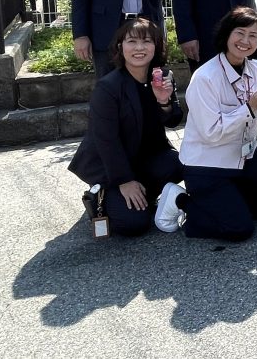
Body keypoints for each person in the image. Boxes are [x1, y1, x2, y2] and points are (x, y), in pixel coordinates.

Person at [155, 7, 257, 241]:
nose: (245, 41)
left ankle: (229, 205)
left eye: (253, 36)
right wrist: (250, 106)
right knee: (240, 230)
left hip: (243, 156)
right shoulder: (205, 77)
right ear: (226, 34)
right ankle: (181, 200)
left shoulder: (255, 68)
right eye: (240, 33)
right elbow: (211, 134)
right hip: (207, 164)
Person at [68, 18, 183, 236]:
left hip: (147, 159)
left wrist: (164, 102)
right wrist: (125, 180)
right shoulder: (108, 87)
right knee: (133, 224)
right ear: (121, 47)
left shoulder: (162, 77)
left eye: (147, 42)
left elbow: (172, 120)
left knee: (179, 164)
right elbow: (106, 140)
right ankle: (103, 195)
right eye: (132, 42)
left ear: (156, 46)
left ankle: (143, 195)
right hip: (113, 166)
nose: (139, 48)